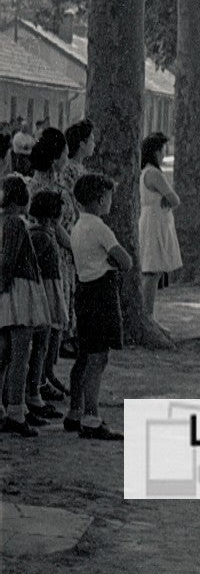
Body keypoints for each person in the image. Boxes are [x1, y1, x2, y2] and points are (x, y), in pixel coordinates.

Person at [67, 173, 130, 440]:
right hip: (101, 293)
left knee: (85, 354)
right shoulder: (100, 228)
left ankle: (75, 411)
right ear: (100, 198)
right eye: (109, 196)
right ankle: (92, 417)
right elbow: (125, 261)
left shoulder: (78, 226)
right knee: (98, 357)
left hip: (83, 289)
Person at [0, 176, 51, 436]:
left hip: (10, 292)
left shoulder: (6, 222)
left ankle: (7, 409)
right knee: (20, 355)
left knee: (6, 354)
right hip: (17, 291)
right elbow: (8, 260)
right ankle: (16, 412)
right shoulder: (15, 223)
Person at [28, 128, 78, 392]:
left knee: (58, 318)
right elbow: (55, 226)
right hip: (53, 255)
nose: (67, 157)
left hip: (64, 257)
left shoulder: (56, 184)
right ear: (56, 156)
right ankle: (41, 376)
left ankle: (48, 373)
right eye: (65, 153)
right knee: (49, 318)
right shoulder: (42, 187)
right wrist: (75, 247)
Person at [25, 191, 69, 424]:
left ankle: (37, 387)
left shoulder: (39, 234)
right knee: (41, 345)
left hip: (46, 291)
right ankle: (34, 393)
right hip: (45, 292)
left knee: (43, 345)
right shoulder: (42, 237)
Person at [138, 132, 182, 319]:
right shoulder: (154, 174)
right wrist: (166, 198)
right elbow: (174, 199)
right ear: (156, 152)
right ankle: (148, 314)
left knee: (152, 269)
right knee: (152, 270)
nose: (165, 154)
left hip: (151, 219)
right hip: (155, 222)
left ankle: (148, 313)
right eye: (163, 150)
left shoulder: (144, 172)